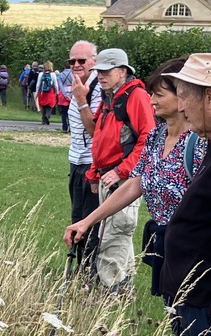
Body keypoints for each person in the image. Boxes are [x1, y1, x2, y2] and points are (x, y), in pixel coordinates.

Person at [64, 57, 206, 336]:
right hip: (166, 244)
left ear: (182, 97)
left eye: (159, 94)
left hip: (196, 249)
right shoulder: (157, 136)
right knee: (178, 326)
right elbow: (136, 183)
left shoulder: (201, 143)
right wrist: (88, 220)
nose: (151, 99)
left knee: (200, 331)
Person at [159, 53, 211, 336]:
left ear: (210, 97)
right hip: (192, 298)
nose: (180, 107)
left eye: (185, 95)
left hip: (209, 309)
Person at [85, 48, 156, 294]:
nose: (101, 76)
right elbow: (100, 137)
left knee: (113, 236)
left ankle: (109, 294)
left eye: (106, 71)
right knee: (119, 235)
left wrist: (122, 169)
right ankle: (124, 291)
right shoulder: (111, 97)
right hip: (110, 177)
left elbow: (148, 138)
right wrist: (95, 173)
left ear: (122, 71)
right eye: (99, 71)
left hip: (122, 180)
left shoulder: (136, 97)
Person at [67, 40, 102, 271]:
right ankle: (80, 267)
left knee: (89, 220)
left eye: (82, 60)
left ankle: (89, 271)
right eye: (72, 61)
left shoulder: (97, 87)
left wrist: (81, 99)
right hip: (76, 160)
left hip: (91, 162)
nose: (76, 65)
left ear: (94, 62)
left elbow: (94, 130)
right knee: (77, 216)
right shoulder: (78, 83)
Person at [57, 61, 73, 132]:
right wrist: (71, 95)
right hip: (72, 93)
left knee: (63, 112)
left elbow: (60, 85)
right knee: (71, 112)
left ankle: (64, 127)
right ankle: (71, 127)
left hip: (63, 94)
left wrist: (65, 95)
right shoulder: (73, 74)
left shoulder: (61, 75)